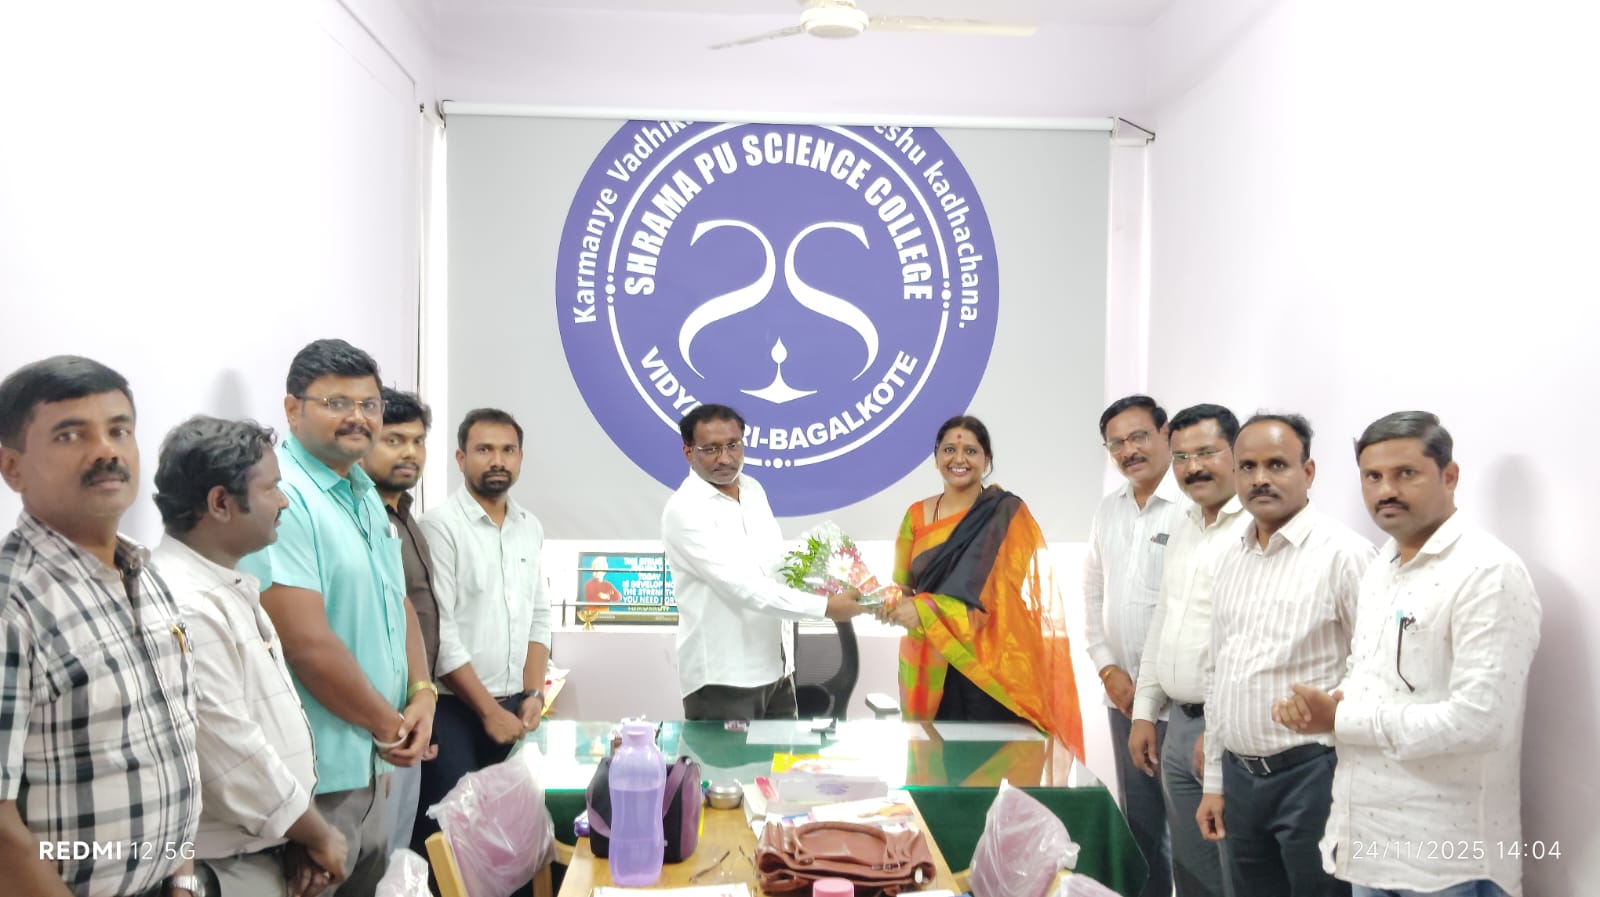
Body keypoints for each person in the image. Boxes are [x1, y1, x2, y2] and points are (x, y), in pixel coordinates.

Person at [1272, 412, 1540, 897]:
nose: (1385, 490)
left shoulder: (1488, 572)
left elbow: (1482, 720)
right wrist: (1326, 707)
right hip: (1369, 846)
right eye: (1373, 477)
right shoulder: (1383, 563)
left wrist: (1343, 719)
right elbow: (1370, 675)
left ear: (1450, 476)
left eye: (1406, 474)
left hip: (1448, 864)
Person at [239, 339, 437, 897]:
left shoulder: (363, 491)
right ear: (292, 408)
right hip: (318, 776)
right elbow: (305, 643)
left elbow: (397, 601)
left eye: (369, 404)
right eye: (336, 403)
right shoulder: (285, 497)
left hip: (378, 761)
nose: (358, 417)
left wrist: (422, 692)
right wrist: (389, 723)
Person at [0, 356, 200, 897]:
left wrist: (181, 880)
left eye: (119, 430)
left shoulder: (145, 575)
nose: (107, 450)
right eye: (70, 434)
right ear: (12, 467)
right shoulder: (12, 606)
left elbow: (170, 745)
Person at [151, 416, 349, 896]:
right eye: (272, 489)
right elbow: (233, 757)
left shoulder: (226, 586)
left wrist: (297, 829)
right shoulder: (189, 606)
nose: (283, 502)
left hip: (265, 847)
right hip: (225, 867)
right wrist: (317, 832)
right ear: (221, 502)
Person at [1197, 413, 1375, 897]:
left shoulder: (1345, 555)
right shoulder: (1232, 558)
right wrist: (1215, 779)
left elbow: (1376, 668)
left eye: (1277, 464)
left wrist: (1334, 705)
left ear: (1308, 472)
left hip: (1314, 778)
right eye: (1248, 466)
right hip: (1239, 779)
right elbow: (1218, 671)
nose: (1260, 479)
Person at [878, 415, 1084, 759]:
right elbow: (904, 586)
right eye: (949, 449)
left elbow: (998, 595)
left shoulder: (1006, 513)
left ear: (986, 460)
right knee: (936, 769)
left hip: (992, 661)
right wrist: (889, 601)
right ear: (935, 458)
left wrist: (928, 610)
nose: (959, 459)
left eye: (970, 450)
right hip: (933, 661)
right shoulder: (915, 515)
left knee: (995, 773)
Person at [661, 403, 866, 721]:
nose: (725, 458)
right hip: (724, 677)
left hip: (778, 668)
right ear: (688, 452)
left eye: (733, 445)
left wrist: (837, 572)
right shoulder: (684, 511)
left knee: (779, 769)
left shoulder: (753, 490)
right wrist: (826, 608)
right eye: (711, 449)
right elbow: (742, 589)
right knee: (727, 771)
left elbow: (772, 563)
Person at [414, 408, 552, 854]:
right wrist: (488, 711)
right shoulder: (439, 527)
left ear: (521, 458)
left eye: (507, 450)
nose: (497, 460)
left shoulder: (528, 526)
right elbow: (442, 634)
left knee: (510, 840)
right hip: (456, 711)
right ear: (460, 458)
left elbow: (539, 617)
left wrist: (533, 694)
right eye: (484, 450)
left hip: (514, 707)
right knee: (455, 841)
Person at [1128, 404, 1250, 897]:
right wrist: (1143, 712)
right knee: (1191, 874)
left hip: (1225, 732)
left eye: (1205, 453)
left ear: (1237, 454)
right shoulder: (1184, 527)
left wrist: (1217, 735)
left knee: (1234, 873)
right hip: (1177, 728)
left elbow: (1248, 647)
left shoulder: (1254, 532)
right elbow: (1164, 621)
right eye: (1181, 456)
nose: (1192, 467)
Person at [1084, 394, 1182, 897]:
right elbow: (1093, 594)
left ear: (1166, 434)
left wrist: (1151, 690)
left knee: (1192, 838)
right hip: (1121, 698)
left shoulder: (1194, 508)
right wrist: (1107, 670)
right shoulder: (1109, 511)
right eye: (1116, 443)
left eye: (1139, 436)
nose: (1128, 451)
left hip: (1182, 709)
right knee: (1141, 830)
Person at [358, 388, 441, 859]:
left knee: (398, 856)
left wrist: (423, 701)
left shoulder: (405, 517)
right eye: (394, 440)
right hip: (377, 726)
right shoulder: (364, 517)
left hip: (414, 713)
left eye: (417, 440)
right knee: (372, 862)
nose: (409, 452)